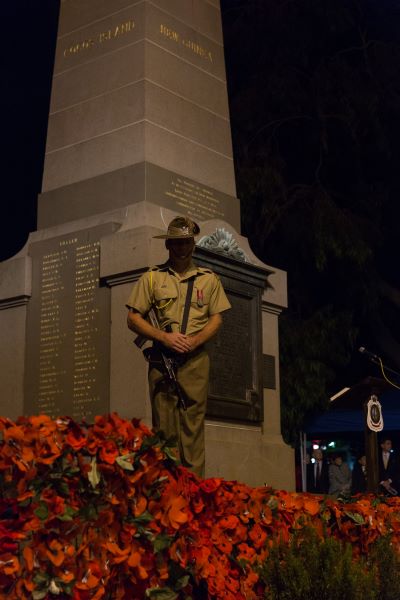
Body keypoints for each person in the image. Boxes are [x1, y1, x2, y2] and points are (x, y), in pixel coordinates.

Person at [126, 216, 231, 477]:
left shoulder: (209, 279)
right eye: (177, 243)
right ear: (168, 245)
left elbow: (217, 318)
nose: (182, 248)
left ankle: (193, 487)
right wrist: (163, 337)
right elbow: (133, 318)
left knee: (193, 425)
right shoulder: (152, 278)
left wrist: (195, 340)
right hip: (163, 359)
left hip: (195, 361)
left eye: (186, 243)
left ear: (193, 245)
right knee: (164, 426)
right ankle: (166, 483)